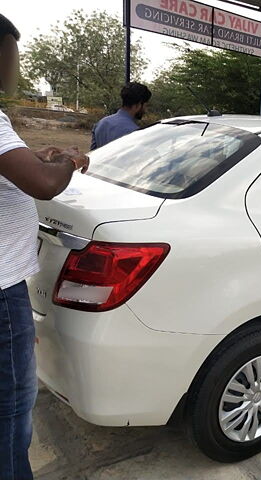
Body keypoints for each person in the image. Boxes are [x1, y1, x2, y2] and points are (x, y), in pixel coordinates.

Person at [0, 14, 89, 480]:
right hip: (1, 288)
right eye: (12, 53)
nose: (16, 66)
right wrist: (69, 162)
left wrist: (41, 156)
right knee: (12, 405)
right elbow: (42, 186)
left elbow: (17, 165)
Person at [90, 82, 152, 149]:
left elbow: (92, 155)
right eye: (146, 105)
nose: (145, 110)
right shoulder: (135, 133)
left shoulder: (100, 124)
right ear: (138, 105)